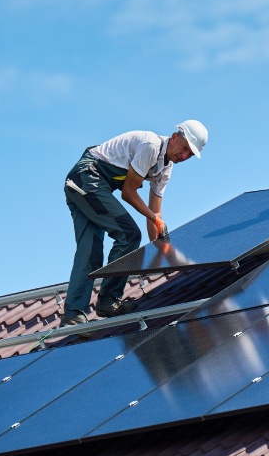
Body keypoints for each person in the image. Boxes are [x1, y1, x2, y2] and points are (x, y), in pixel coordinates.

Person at [61, 120, 208, 325]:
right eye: (184, 148)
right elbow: (129, 194)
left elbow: (155, 211)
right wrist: (155, 219)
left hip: (90, 186)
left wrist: (161, 249)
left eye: (190, 154)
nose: (184, 156)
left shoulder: (165, 169)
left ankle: (73, 315)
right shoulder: (151, 146)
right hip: (87, 178)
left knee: (91, 250)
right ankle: (108, 301)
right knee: (128, 234)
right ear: (175, 137)